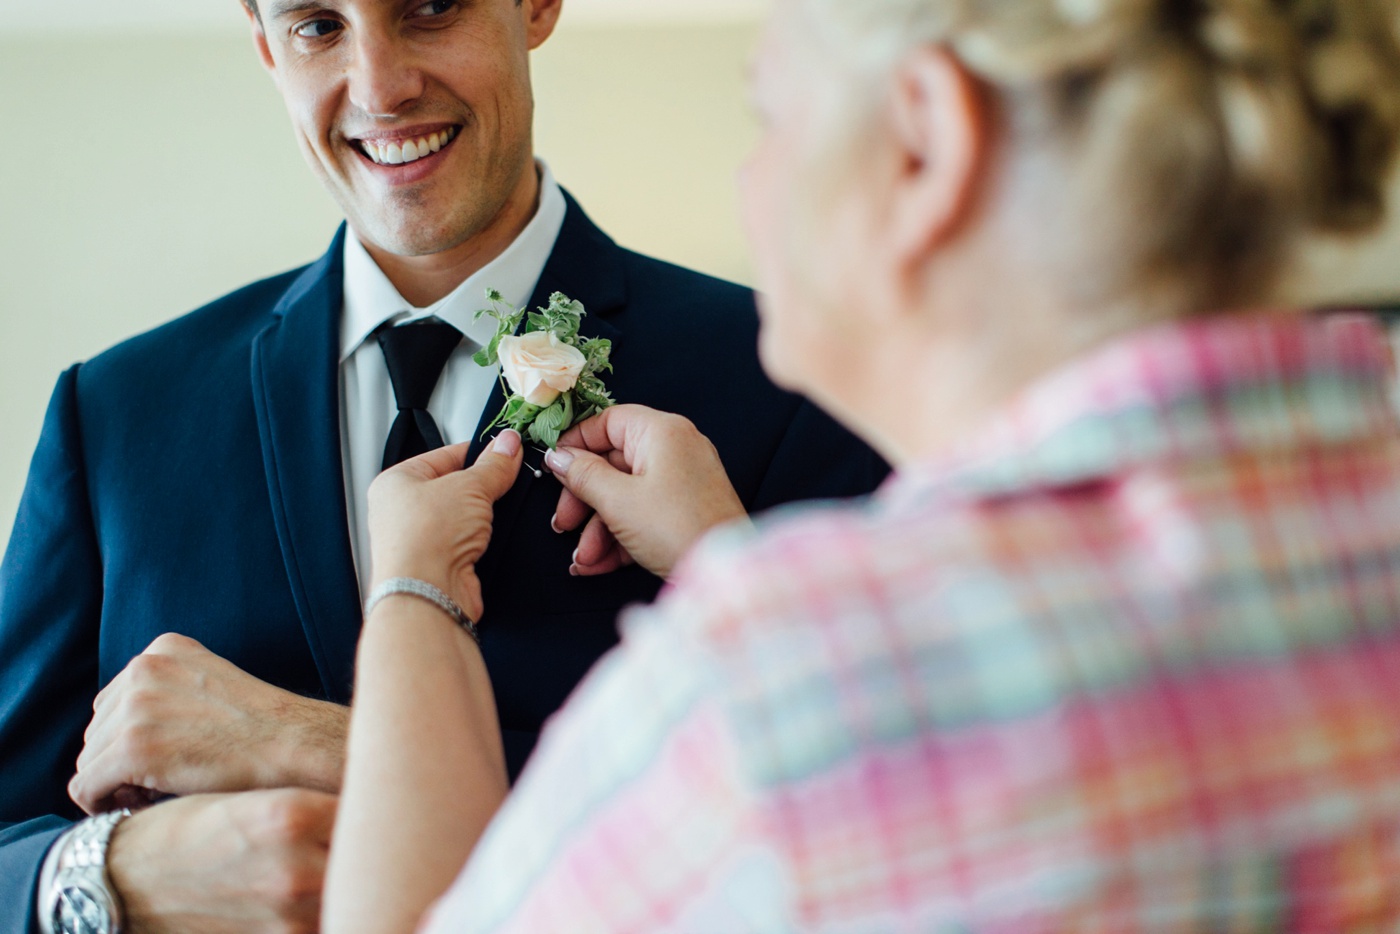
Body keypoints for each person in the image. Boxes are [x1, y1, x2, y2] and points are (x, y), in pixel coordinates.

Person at [322, 0, 1400, 929]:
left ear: (923, 145)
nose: (751, 180)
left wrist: (412, 594)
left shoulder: (784, 680)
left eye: (768, 116)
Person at [0, 0, 888, 929]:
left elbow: (889, 817)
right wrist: (101, 875)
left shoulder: (794, 372)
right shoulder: (114, 415)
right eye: (317, 24)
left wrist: (306, 743)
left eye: (429, 7)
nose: (380, 87)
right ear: (265, 43)